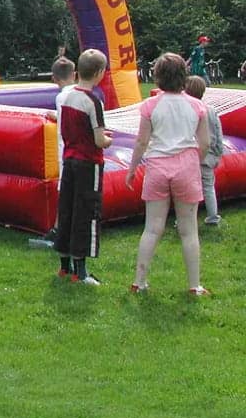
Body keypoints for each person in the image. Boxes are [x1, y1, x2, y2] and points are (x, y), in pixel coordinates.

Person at [125, 53, 210, 296]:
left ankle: (139, 281)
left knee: (152, 228)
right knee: (189, 230)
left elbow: (142, 141)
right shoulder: (197, 106)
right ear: (184, 75)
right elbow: (205, 143)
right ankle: (194, 285)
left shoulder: (150, 105)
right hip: (186, 166)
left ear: (158, 77)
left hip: (157, 166)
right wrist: (195, 162)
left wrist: (132, 169)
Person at [53, 49, 113, 285]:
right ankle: (81, 271)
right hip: (89, 163)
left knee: (66, 209)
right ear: (99, 73)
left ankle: (64, 266)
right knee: (86, 212)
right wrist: (108, 140)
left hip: (69, 160)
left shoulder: (66, 97)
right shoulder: (93, 101)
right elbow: (99, 140)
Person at [32, 56, 77, 246]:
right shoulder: (81, 93)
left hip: (67, 150)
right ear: (74, 75)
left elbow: (68, 118)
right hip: (78, 151)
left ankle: (59, 229)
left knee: (65, 192)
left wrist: (56, 116)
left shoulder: (62, 97)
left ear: (54, 78)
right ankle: (62, 228)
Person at [185, 74, 225, 225]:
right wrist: (218, 153)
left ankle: (185, 218)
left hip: (190, 155)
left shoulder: (186, 110)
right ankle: (213, 216)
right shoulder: (211, 110)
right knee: (208, 187)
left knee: (188, 189)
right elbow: (218, 132)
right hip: (208, 156)